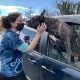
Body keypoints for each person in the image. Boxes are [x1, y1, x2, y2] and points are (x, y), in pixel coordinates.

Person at [0, 12, 47, 80]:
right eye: (20, 21)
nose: (23, 23)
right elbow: (28, 49)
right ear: (12, 23)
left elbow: (21, 45)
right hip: (11, 75)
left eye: (22, 20)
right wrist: (39, 33)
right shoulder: (10, 36)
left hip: (12, 71)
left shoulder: (10, 34)